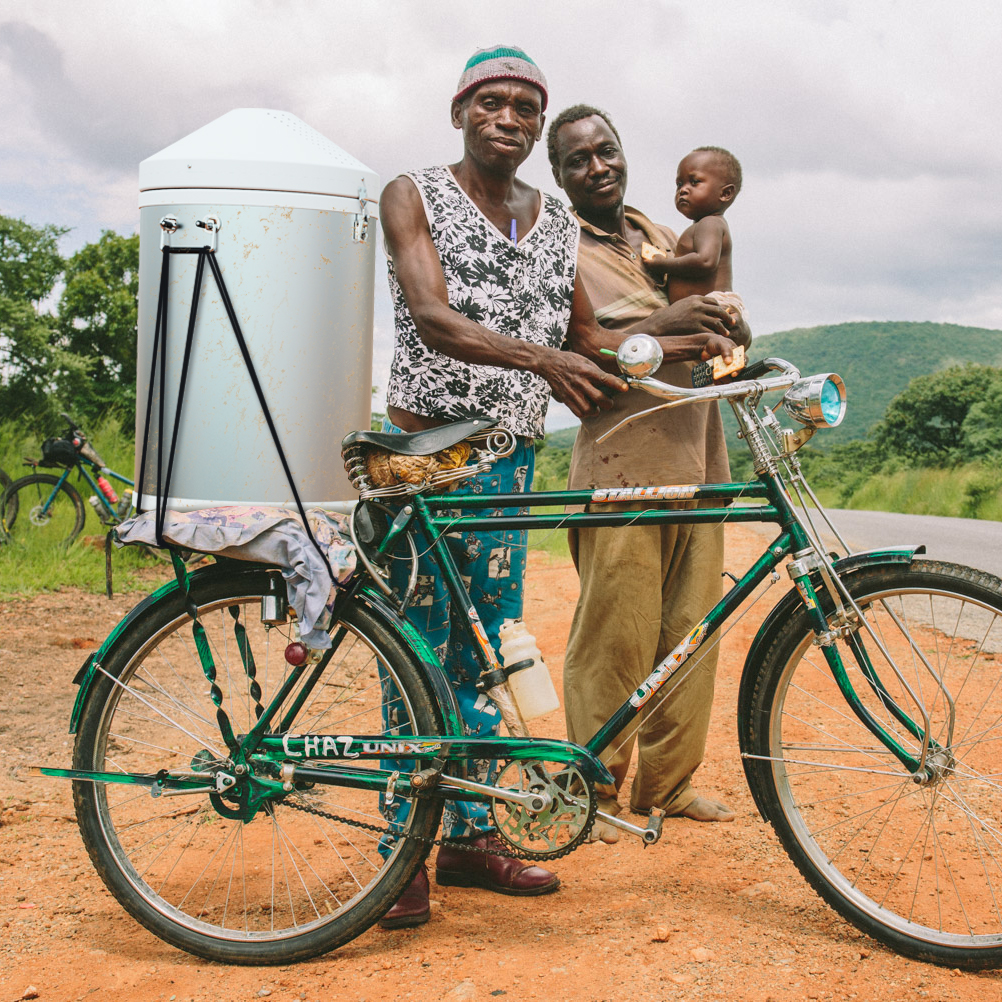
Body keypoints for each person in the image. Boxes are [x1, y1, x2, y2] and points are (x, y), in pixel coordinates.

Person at [377, 50, 739, 929]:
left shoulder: (548, 224)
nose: (506, 118)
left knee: (488, 649)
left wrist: (689, 336)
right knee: (418, 648)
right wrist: (544, 360)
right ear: (460, 111)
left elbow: (588, 340)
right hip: (427, 451)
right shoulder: (412, 193)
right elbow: (432, 315)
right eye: (490, 103)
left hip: (510, 455)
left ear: (535, 126)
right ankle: (401, 850)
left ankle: (469, 836)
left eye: (523, 107)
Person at [548, 105, 752, 843]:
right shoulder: (558, 247)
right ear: (559, 176)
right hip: (622, 463)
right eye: (578, 159)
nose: (598, 166)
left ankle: (670, 784)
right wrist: (671, 328)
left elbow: (712, 316)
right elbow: (581, 349)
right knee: (617, 636)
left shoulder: (664, 233)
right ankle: (592, 786)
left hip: (699, 455)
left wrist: (730, 324)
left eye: (606, 150)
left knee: (692, 632)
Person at [643, 146, 741, 305]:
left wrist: (662, 264)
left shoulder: (710, 223)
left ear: (725, 193)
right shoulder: (707, 224)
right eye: (679, 184)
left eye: (694, 182)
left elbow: (705, 261)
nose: (683, 190)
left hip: (711, 308)